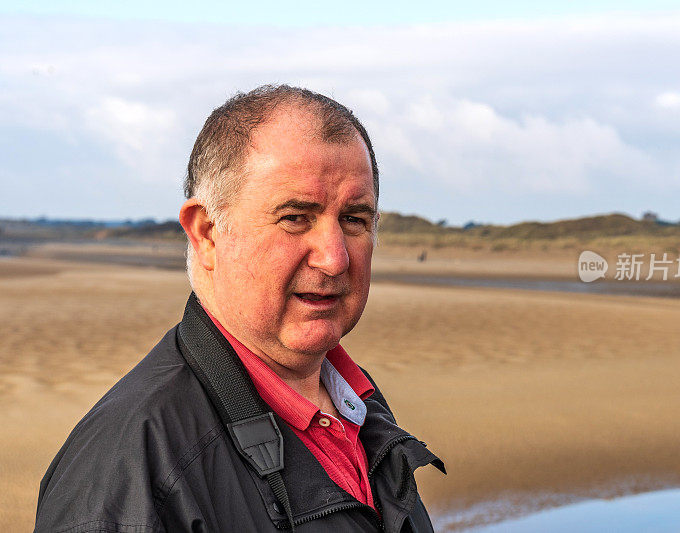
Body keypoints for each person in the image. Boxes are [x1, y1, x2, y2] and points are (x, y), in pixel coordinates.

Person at [35, 85, 445, 532]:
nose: (335, 257)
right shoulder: (129, 465)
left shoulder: (358, 404)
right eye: (295, 217)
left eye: (354, 219)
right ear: (208, 233)